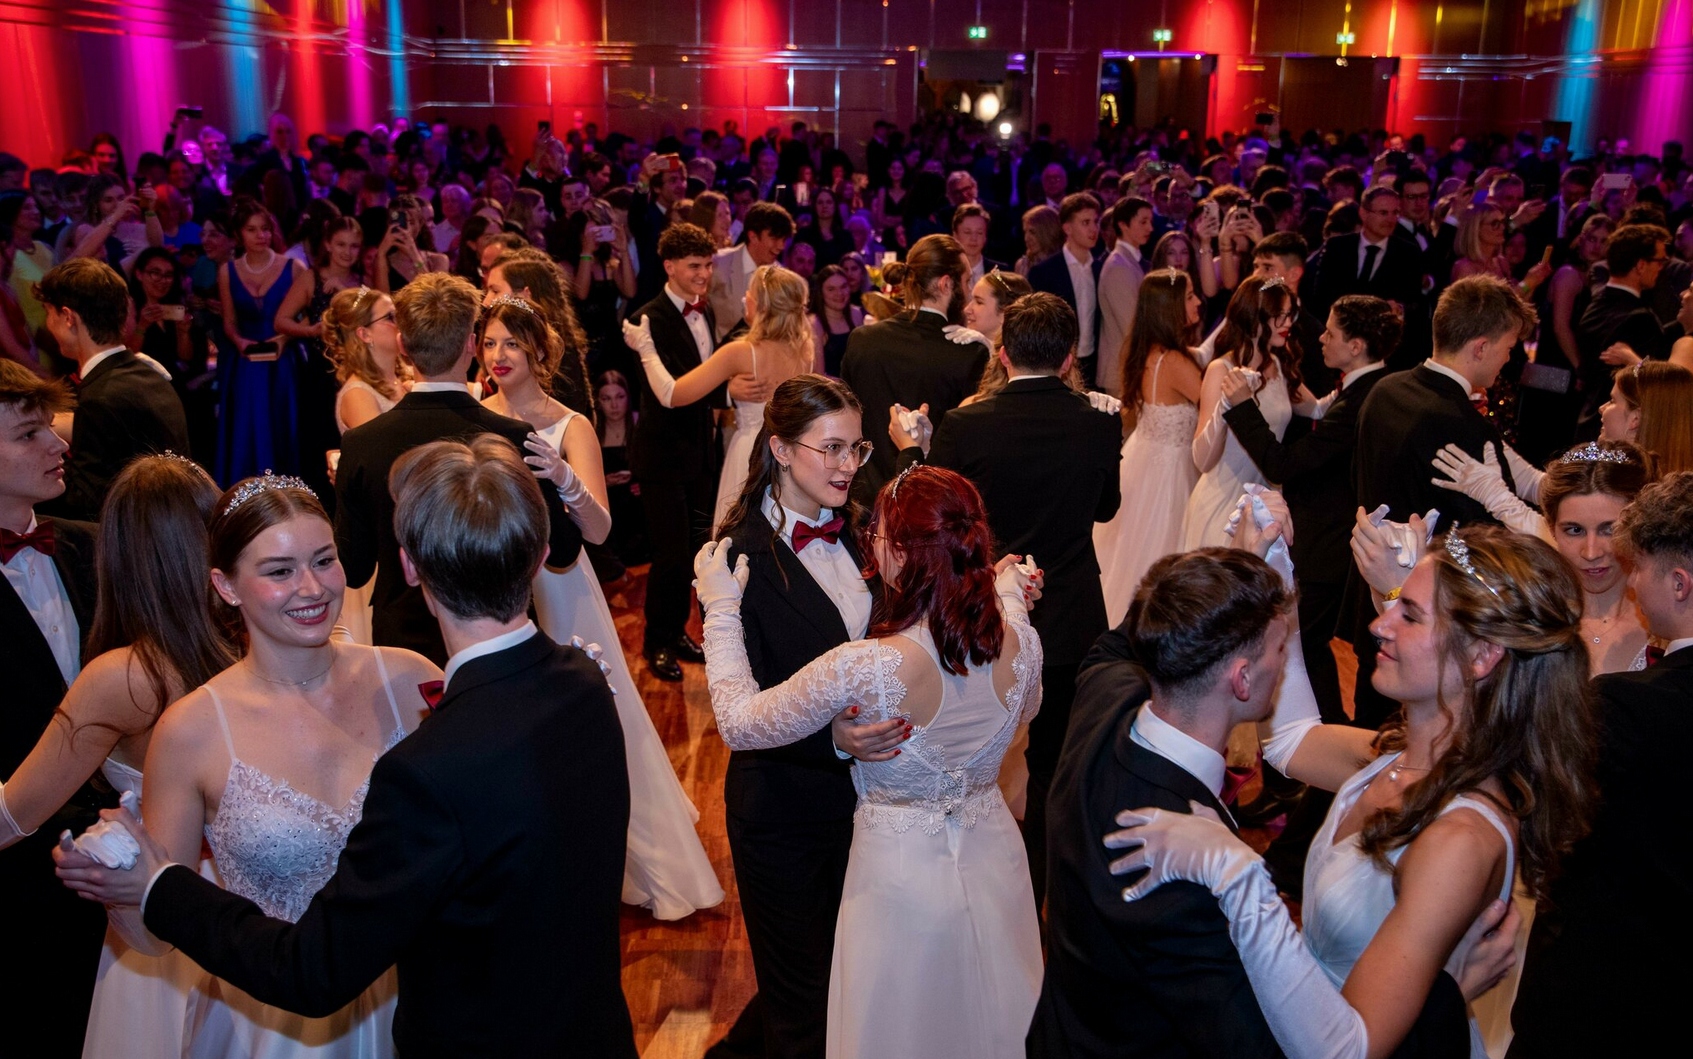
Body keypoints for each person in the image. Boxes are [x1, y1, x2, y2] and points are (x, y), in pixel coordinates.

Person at [56, 438, 639, 1058]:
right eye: (279, 571)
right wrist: (129, 880)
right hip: (279, 1027)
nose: (311, 587)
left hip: (406, 1002)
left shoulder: (409, 680)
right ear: (225, 586)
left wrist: (163, 885)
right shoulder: (191, 729)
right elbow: (154, 939)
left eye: (324, 560)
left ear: (406, 566)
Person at [1107, 520, 1593, 1059]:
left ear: (1481, 656)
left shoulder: (1459, 839)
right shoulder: (1394, 761)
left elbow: (1346, 1051)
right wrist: (1276, 585)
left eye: (1410, 615)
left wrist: (1238, 875)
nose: (1379, 624)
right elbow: (1290, 741)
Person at [1030, 546, 1493, 1059]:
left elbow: (1117, 644)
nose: (1288, 657)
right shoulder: (1185, 881)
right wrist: (1447, 994)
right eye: (1280, 648)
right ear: (1243, 678)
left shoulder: (1103, 698)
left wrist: (1236, 573)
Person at [694, 464, 1044, 1059]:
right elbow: (1026, 706)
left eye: (877, 534)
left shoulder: (867, 666)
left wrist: (721, 608)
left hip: (898, 881)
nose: (869, 543)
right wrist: (1009, 596)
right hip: (996, 861)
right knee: (992, 1016)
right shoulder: (1024, 645)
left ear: (904, 554)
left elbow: (738, 720)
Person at [479, 295, 723, 920]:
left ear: (538, 350)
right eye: (490, 343)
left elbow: (600, 530)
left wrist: (564, 478)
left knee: (592, 723)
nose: (499, 355)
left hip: (561, 585)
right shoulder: (477, 413)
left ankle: (620, 854)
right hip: (495, 586)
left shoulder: (571, 425)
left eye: (512, 342)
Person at [1, 454, 231, 1059]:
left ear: (120, 558)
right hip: (264, 907)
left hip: (166, 917)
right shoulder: (259, 647)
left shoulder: (126, 677)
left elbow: (12, 815)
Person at [897, 292, 1122, 907]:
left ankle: (960, 890)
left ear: (1003, 353)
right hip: (1070, 612)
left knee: (964, 755)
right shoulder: (1099, 420)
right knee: (1053, 765)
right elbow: (1106, 508)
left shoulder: (967, 423)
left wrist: (914, 452)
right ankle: (1043, 899)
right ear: (1070, 357)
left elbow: (936, 517)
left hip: (981, 614)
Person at [702, 375, 891, 1059]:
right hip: (784, 810)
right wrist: (831, 738)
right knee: (804, 1003)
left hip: (871, 805)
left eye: (856, 447)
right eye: (830, 447)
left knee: (843, 975)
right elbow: (743, 703)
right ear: (780, 449)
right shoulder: (735, 558)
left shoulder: (863, 529)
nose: (847, 465)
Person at [1509, 472, 1693, 1057]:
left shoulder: (1628, 705)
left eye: (1640, 569)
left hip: (1613, 991)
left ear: (1680, 583)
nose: (1630, 581)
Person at [334, 271, 582, 664]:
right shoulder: (514, 436)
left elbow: (354, 569)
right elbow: (562, 551)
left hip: (405, 649)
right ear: (470, 344)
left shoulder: (362, 444)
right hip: (503, 643)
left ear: (402, 345)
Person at [1351, 274, 1536, 728]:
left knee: (1370, 730)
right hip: (1428, 624)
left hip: (1371, 598)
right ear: (1480, 347)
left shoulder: (1385, 390)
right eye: (1508, 347)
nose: (1508, 359)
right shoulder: (1459, 422)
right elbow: (1487, 537)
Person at [1227, 294, 1400, 724]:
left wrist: (1242, 406)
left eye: (1331, 333)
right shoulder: (1366, 388)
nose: (1321, 338)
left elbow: (1283, 465)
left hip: (1327, 543)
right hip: (1331, 538)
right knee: (1310, 645)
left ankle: (1327, 737)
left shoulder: (1361, 400)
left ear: (1356, 346)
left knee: (1305, 645)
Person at [0, 363, 106, 1056]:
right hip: (14, 872)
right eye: (29, 434)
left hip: (109, 853)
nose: (57, 445)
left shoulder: (86, 545)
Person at [615, 222, 724, 680]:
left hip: (699, 452)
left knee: (695, 551)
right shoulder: (648, 319)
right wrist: (731, 391)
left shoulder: (706, 311)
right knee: (671, 555)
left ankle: (678, 631)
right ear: (669, 266)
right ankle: (656, 641)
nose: (704, 275)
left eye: (708, 265)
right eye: (695, 266)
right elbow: (676, 390)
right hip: (662, 456)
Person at [632, 263, 814, 530]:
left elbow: (671, 394)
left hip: (752, 453)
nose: (744, 299)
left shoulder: (740, 353)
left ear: (761, 306)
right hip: (790, 454)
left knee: (741, 536)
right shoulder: (805, 350)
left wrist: (645, 348)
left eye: (749, 293)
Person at [36, 259, 190, 520]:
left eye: (49, 313)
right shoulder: (146, 375)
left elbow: (86, 502)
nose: (48, 324)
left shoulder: (101, 395)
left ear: (68, 317)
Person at [840, 233, 989, 502]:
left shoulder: (862, 339)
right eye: (967, 282)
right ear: (946, 284)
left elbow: (847, 423)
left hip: (865, 500)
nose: (968, 294)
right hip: (932, 504)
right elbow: (973, 447)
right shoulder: (969, 353)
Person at [1094, 269, 1205, 625]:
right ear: (1170, 308)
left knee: (1130, 551)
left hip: (1143, 459)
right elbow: (1216, 407)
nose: (1198, 302)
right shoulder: (1173, 361)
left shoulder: (1148, 354)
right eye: (1189, 296)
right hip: (1169, 470)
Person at [1180, 275, 1312, 550]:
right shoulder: (1221, 369)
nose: (1288, 323)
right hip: (1223, 503)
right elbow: (1202, 461)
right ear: (1254, 316)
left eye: (1290, 314)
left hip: (1268, 503)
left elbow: (1319, 409)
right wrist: (1226, 406)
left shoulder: (1279, 364)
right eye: (1279, 315)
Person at [275, 215, 365, 500]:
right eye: (341, 244)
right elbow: (281, 320)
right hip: (319, 376)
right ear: (327, 244)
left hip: (357, 371)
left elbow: (373, 320)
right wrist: (311, 330)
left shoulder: (362, 282)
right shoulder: (311, 278)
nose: (347, 252)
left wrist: (345, 292)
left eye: (353, 245)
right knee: (318, 447)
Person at [217, 199, 302, 484]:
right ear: (239, 234)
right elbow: (229, 322)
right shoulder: (227, 271)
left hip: (282, 362)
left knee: (281, 430)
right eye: (252, 229)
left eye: (265, 229)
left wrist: (284, 338)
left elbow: (306, 315)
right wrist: (239, 341)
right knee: (245, 433)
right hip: (245, 362)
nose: (261, 235)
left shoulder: (293, 267)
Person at [483, 247, 595, 417]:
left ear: (525, 296)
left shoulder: (558, 359)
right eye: (490, 344)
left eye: (495, 291)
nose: (486, 301)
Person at [1028, 193, 1102, 380]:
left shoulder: (1100, 268)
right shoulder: (1044, 272)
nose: (1093, 229)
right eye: (1085, 223)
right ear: (1067, 228)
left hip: (1094, 363)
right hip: (1058, 363)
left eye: (1096, 222)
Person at [712, 202, 795, 341]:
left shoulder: (781, 276)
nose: (781, 246)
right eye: (774, 238)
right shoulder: (719, 264)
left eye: (784, 239)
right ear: (753, 236)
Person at [1096, 196, 1153, 398]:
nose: (1150, 228)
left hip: (1131, 369)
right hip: (1123, 372)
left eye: (1150, 221)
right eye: (1143, 222)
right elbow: (1130, 326)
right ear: (1123, 225)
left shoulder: (1129, 262)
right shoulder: (1118, 267)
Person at [594, 369, 648, 568]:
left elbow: (659, 466)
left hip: (640, 507)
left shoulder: (641, 424)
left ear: (628, 397)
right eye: (606, 399)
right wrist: (603, 482)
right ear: (598, 401)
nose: (614, 405)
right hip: (607, 506)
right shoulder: (592, 429)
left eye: (620, 397)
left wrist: (644, 484)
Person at [809, 264, 864, 378]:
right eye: (831, 289)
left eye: (843, 287)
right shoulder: (815, 324)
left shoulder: (856, 314)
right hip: (830, 388)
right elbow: (819, 376)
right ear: (821, 293)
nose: (839, 293)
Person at [795, 186, 853, 269]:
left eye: (829, 202)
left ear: (835, 206)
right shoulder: (803, 235)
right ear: (815, 206)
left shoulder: (846, 237)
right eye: (820, 202)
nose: (824, 206)